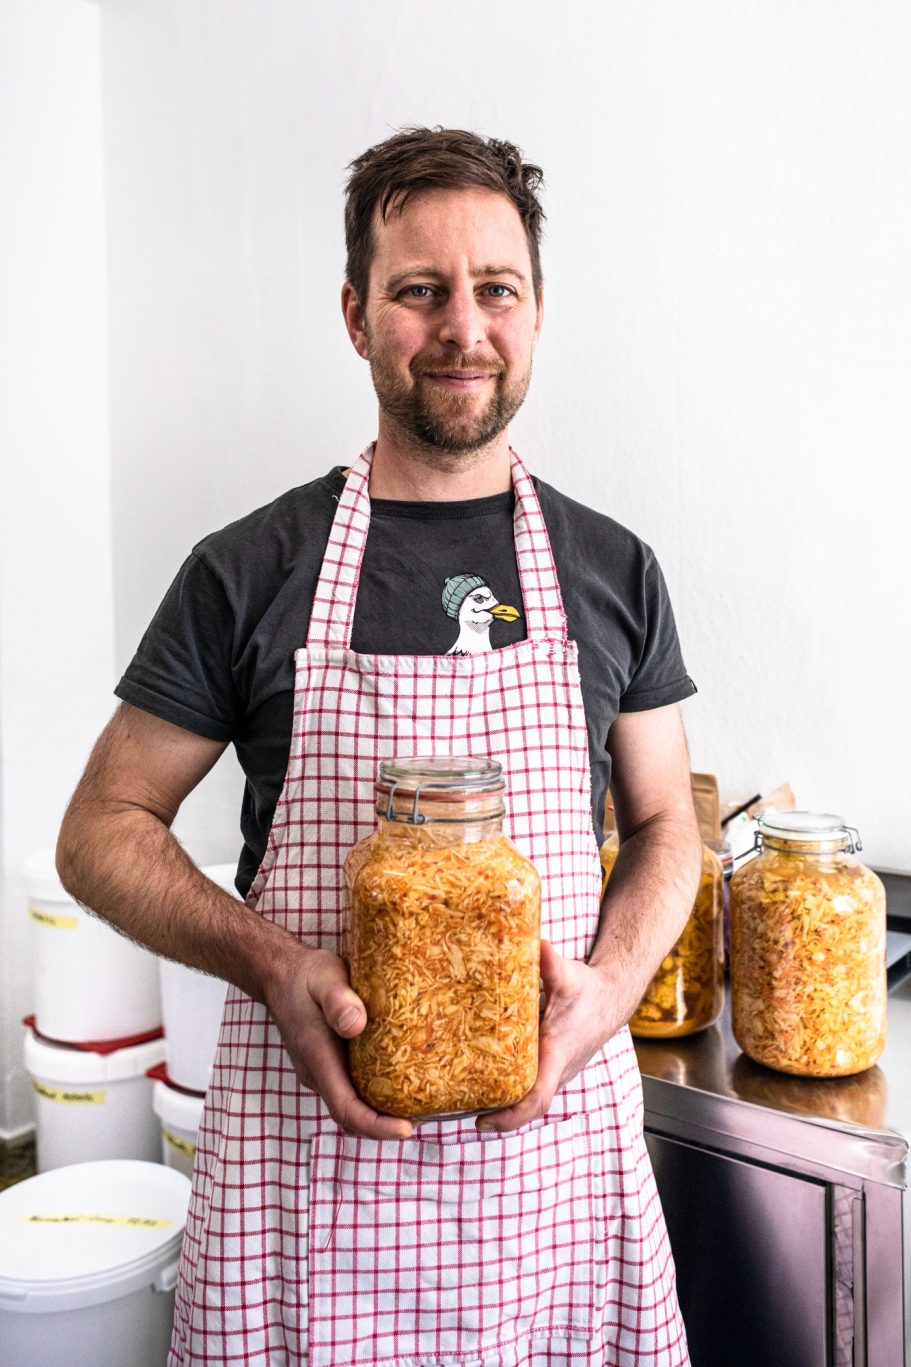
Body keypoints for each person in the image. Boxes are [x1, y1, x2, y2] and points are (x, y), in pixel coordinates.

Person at [56, 126, 702, 1366]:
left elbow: (667, 819)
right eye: (418, 290)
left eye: (494, 288)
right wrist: (272, 966)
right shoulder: (249, 569)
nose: (462, 326)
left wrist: (611, 988)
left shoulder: (612, 569)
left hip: (552, 1182)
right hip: (310, 1182)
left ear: (535, 311)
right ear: (356, 315)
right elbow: (99, 831)